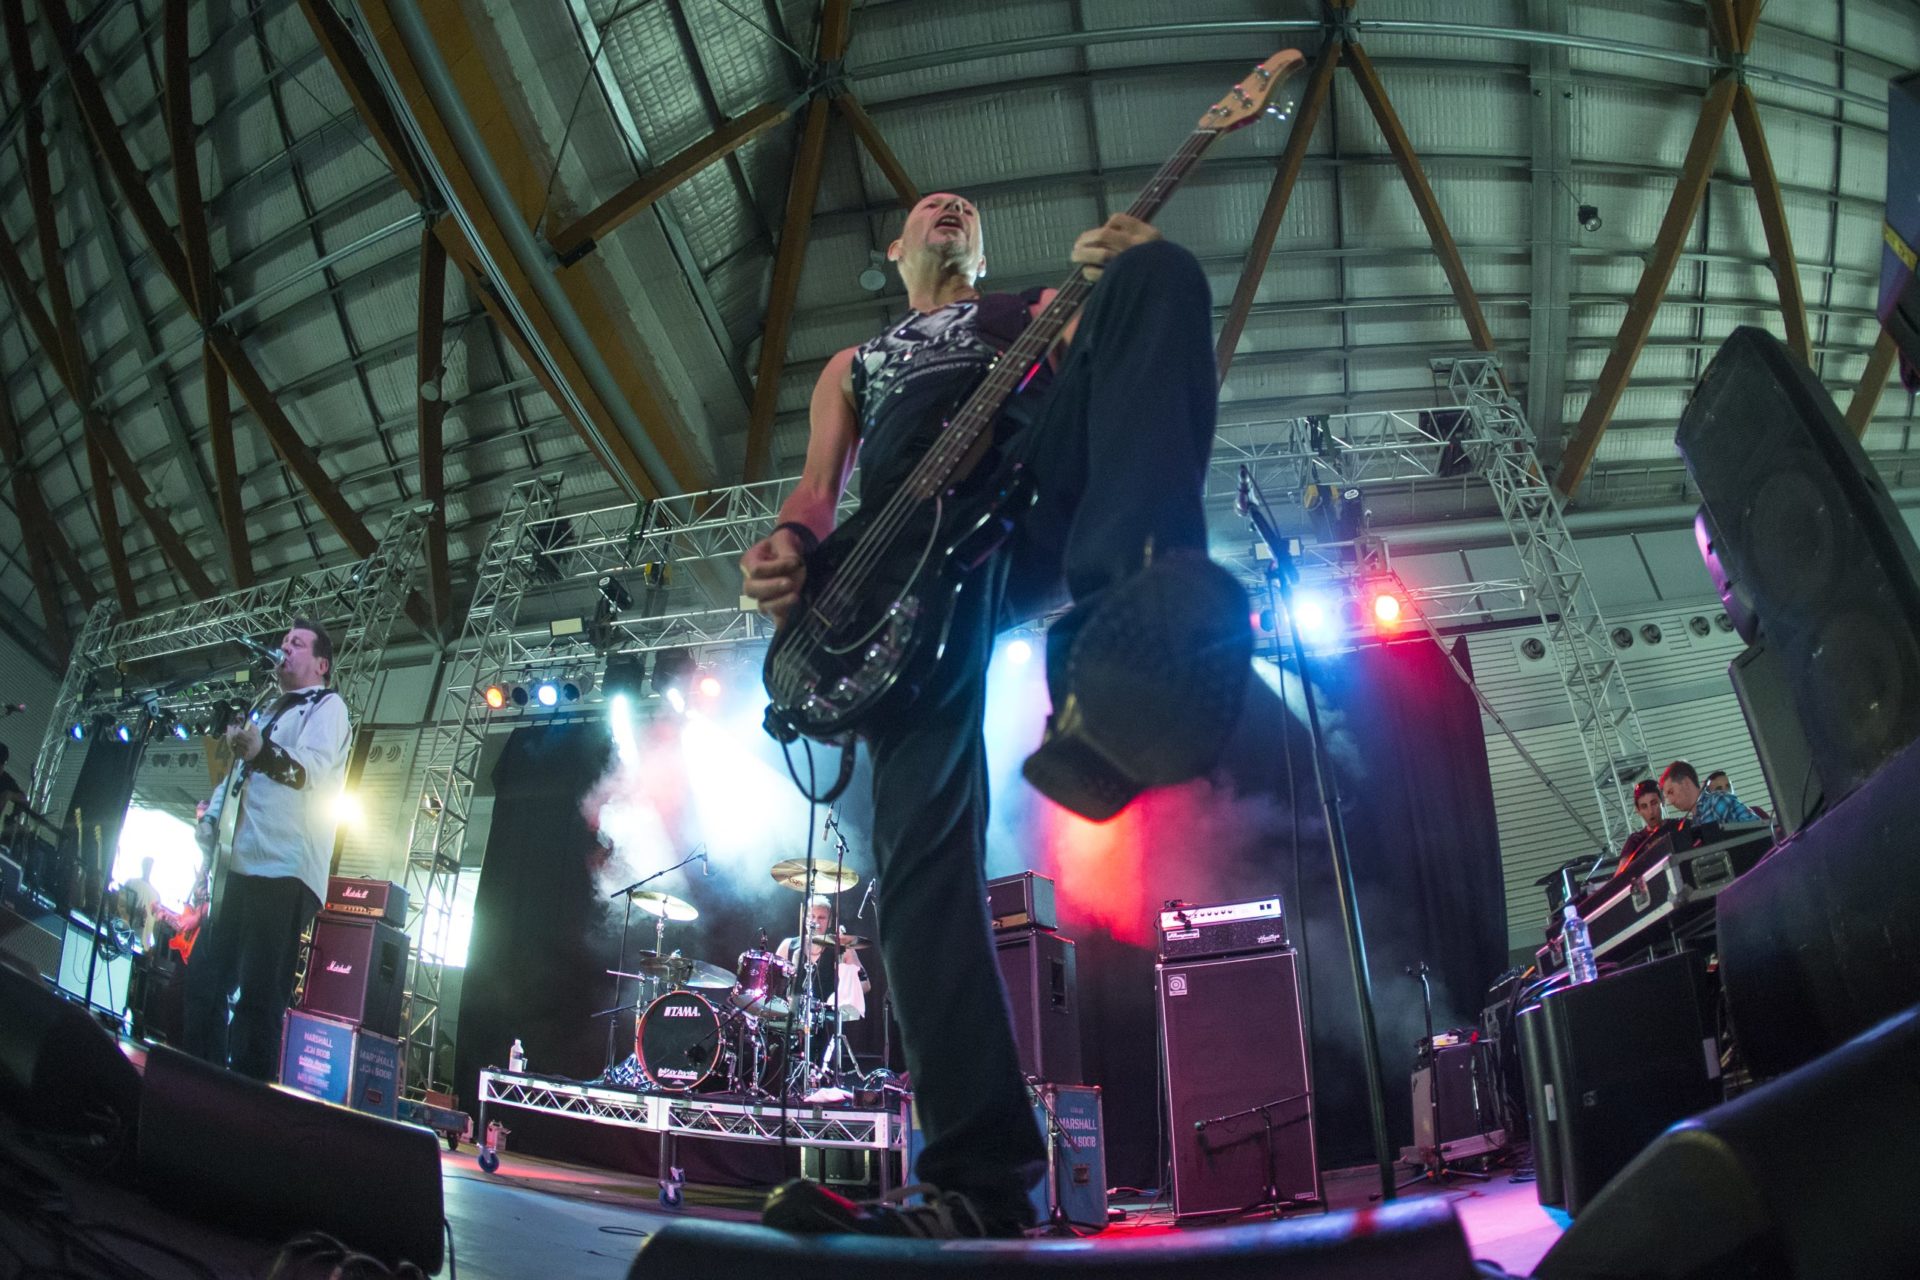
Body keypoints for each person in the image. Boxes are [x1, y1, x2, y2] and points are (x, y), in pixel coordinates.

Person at [741, 192, 1227, 1237]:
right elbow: (820, 491)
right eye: (928, 209)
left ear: (981, 246)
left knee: (1160, 276)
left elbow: (1142, 383)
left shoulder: (1034, 307)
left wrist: (1122, 290)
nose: (948, 208)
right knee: (917, 862)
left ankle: (1119, 647)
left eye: (963, 208)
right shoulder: (854, 364)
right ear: (896, 249)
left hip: (1022, 492)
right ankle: (978, 1188)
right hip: (898, 578)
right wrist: (786, 543)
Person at [183, 621, 350, 1081]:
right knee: (203, 982)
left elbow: (308, 772)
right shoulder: (271, 709)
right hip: (238, 865)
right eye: (282, 643)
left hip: (284, 870)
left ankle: (245, 1108)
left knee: (259, 998)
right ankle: (200, 1083)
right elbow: (236, 776)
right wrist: (212, 822)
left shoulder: (329, 706)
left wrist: (261, 751)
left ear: (321, 663)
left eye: (296, 644)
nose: (284, 649)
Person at [775, 895, 870, 1021]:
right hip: (791, 1021)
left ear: (830, 921)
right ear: (805, 919)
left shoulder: (841, 949)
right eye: (812, 916)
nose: (816, 922)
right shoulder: (788, 946)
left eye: (821, 918)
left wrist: (842, 995)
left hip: (827, 1022)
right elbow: (771, 982)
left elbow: (865, 983)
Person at [1659, 759, 1759, 828]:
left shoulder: (1716, 801)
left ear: (1685, 783)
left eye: (1671, 792)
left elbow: (1757, 826)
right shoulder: (1695, 821)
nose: (1670, 801)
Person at [1612, 780, 1678, 880]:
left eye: (1654, 803)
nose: (1650, 811)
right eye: (1644, 807)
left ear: (1662, 801)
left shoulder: (1678, 825)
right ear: (1638, 810)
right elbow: (1618, 877)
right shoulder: (1635, 840)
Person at [117, 855, 161, 950]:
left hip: (141, 941)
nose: (148, 868)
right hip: (124, 933)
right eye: (146, 865)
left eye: (150, 866)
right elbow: (120, 905)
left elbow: (156, 923)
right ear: (143, 865)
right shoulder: (131, 882)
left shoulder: (156, 895)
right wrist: (135, 911)